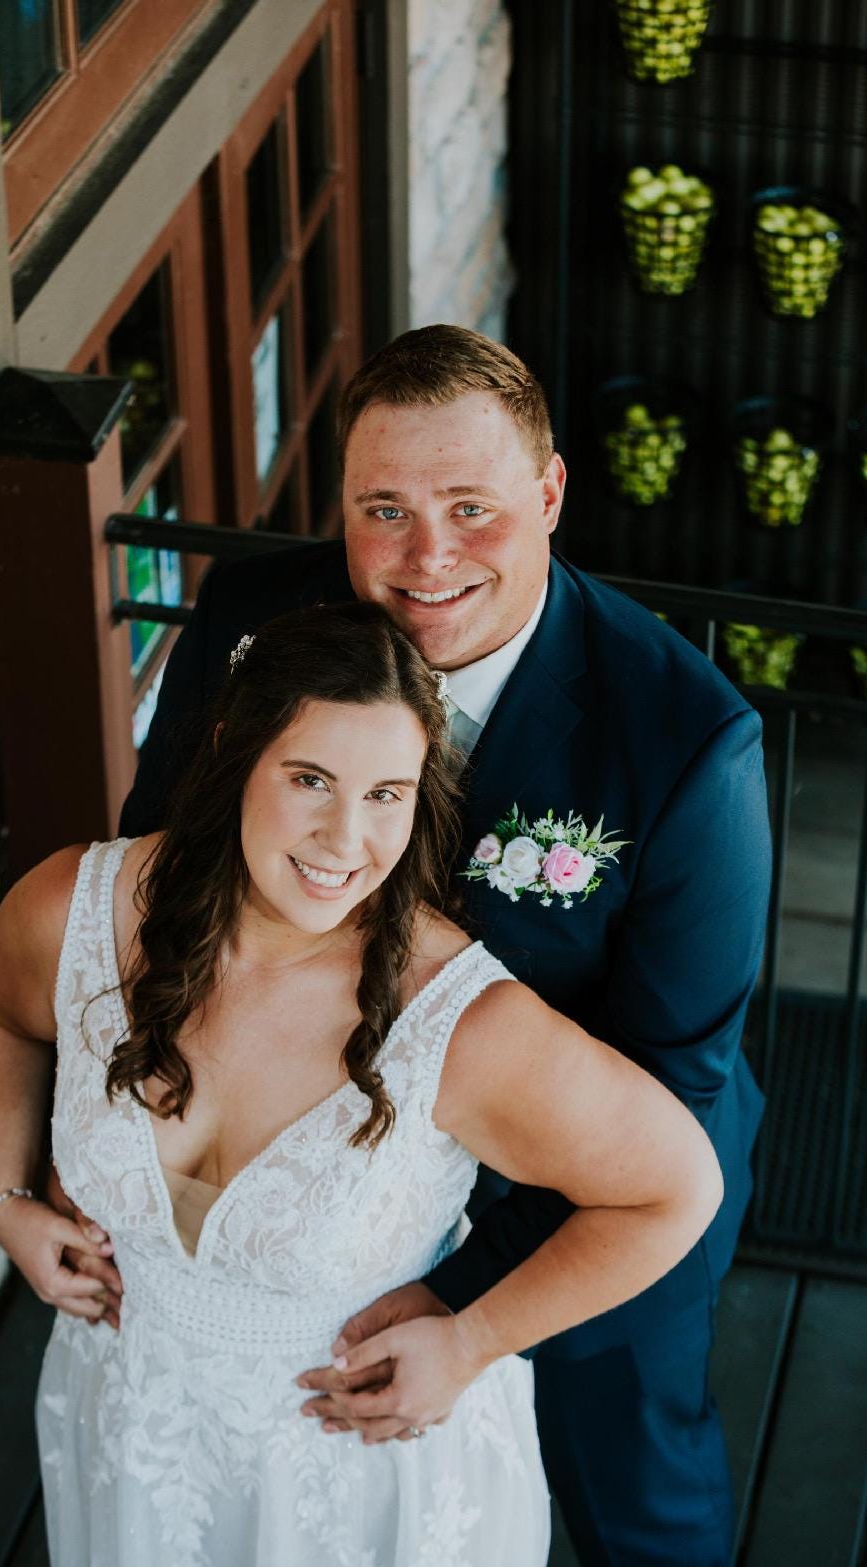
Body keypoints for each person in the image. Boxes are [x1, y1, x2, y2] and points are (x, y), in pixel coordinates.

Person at [93, 325, 773, 1566]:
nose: (426, 557)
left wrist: (470, 1310)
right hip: (319, 1200)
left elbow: (678, 1074)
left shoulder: (687, 743)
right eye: (384, 509)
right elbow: (150, 876)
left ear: (551, 493)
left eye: (473, 507)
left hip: (576, 1200)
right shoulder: (256, 620)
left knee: (636, 1494)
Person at [0, 604, 721, 1567]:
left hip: (362, 1484)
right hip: (133, 1441)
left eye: (385, 793)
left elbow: (674, 1185)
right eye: (309, 778)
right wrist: (4, 1196)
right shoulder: (79, 911)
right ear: (237, 752)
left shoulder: (453, 1021)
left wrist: (475, 1338)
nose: (342, 837)